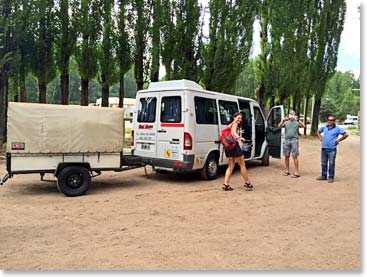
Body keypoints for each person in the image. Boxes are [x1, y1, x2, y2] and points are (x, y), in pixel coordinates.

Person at [222, 112, 252, 191]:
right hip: (234, 146)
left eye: (241, 118)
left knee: (231, 166)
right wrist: (239, 137)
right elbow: (233, 133)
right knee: (242, 163)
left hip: (228, 146)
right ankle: (247, 182)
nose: (239, 119)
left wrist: (239, 132)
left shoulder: (230, 124)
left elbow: (231, 132)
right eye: (238, 118)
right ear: (234, 117)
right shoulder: (235, 124)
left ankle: (226, 184)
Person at [316, 114, 349, 183]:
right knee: (323, 163)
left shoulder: (338, 129)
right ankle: (323, 176)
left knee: (331, 163)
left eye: (331, 120)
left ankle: (331, 177)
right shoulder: (324, 127)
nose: (329, 121)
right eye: (328, 120)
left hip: (332, 149)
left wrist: (338, 140)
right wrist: (320, 138)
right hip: (324, 148)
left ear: (334, 121)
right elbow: (318, 132)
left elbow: (346, 134)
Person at [277, 111, 305, 178]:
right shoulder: (286, 122)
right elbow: (279, 126)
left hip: (294, 140)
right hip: (287, 140)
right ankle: (287, 171)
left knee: (295, 156)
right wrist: (283, 120)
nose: (291, 116)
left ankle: (296, 172)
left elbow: (304, 126)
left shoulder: (296, 122)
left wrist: (298, 119)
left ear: (295, 115)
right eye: (290, 114)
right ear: (288, 115)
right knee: (286, 156)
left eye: (293, 114)